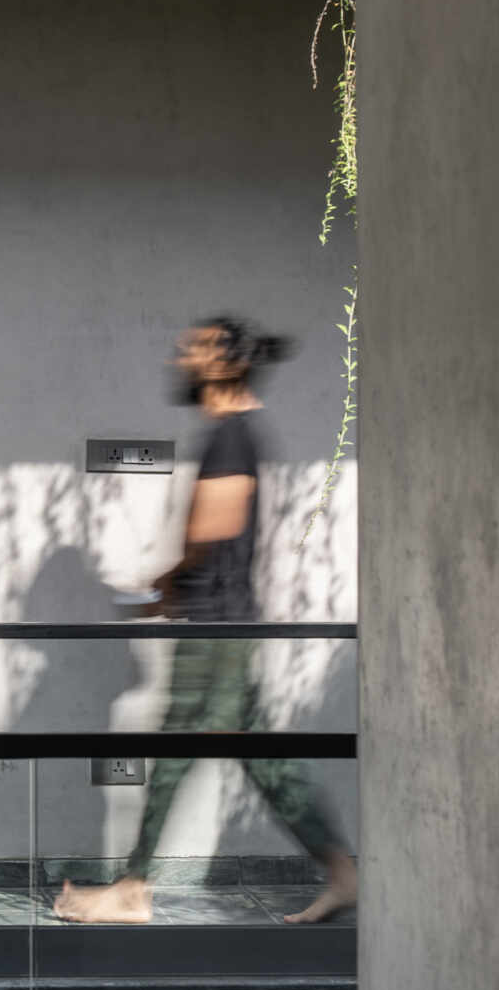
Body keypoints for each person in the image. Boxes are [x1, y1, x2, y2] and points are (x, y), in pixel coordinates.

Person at [55, 317, 357, 927]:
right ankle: (345, 873)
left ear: (224, 361)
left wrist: (166, 580)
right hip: (223, 623)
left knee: (174, 751)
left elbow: (213, 524)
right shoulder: (232, 434)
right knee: (263, 760)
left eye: (192, 348)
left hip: (216, 628)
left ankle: (134, 887)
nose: (180, 357)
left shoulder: (231, 438)